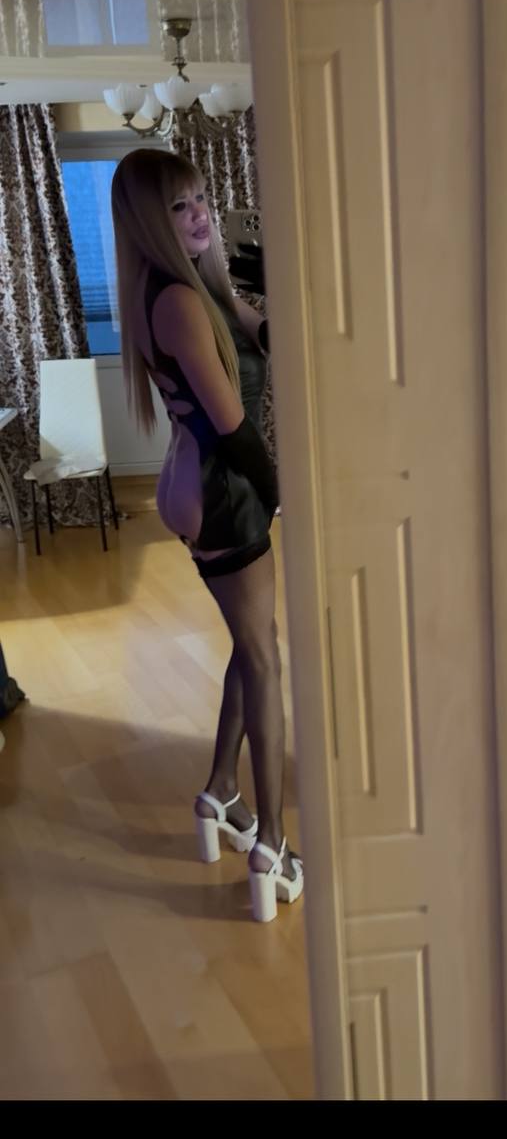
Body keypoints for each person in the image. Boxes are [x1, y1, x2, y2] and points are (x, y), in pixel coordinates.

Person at [111, 149, 303, 923]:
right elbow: (233, 429)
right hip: (222, 487)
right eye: (178, 206)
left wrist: (276, 288)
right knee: (265, 660)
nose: (198, 215)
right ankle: (273, 845)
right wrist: (284, 497)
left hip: (199, 479)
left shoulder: (187, 288)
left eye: (199, 199)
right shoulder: (178, 302)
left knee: (252, 645)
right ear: (148, 222)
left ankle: (220, 790)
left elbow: (270, 337)